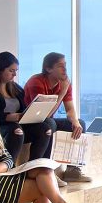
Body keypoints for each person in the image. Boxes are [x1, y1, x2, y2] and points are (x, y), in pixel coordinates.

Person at [0, 52, 53, 170]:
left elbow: (23, 109)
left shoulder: (16, 89)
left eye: (16, 71)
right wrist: (9, 117)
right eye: (11, 70)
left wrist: (29, 114)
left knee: (45, 129)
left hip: (17, 124)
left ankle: (35, 168)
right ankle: (10, 168)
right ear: (0, 69)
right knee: (16, 130)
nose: (14, 74)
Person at [23, 51, 90, 183]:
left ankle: (73, 171)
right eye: (60, 66)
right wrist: (63, 91)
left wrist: (75, 122)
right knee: (50, 123)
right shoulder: (36, 82)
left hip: (45, 120)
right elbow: (44, 115)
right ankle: (47, 172)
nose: (65, 69)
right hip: (29, 122)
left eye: (65, 64)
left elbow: (69, 109)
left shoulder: (64, 83)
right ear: (48, 68)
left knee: (80, 123)